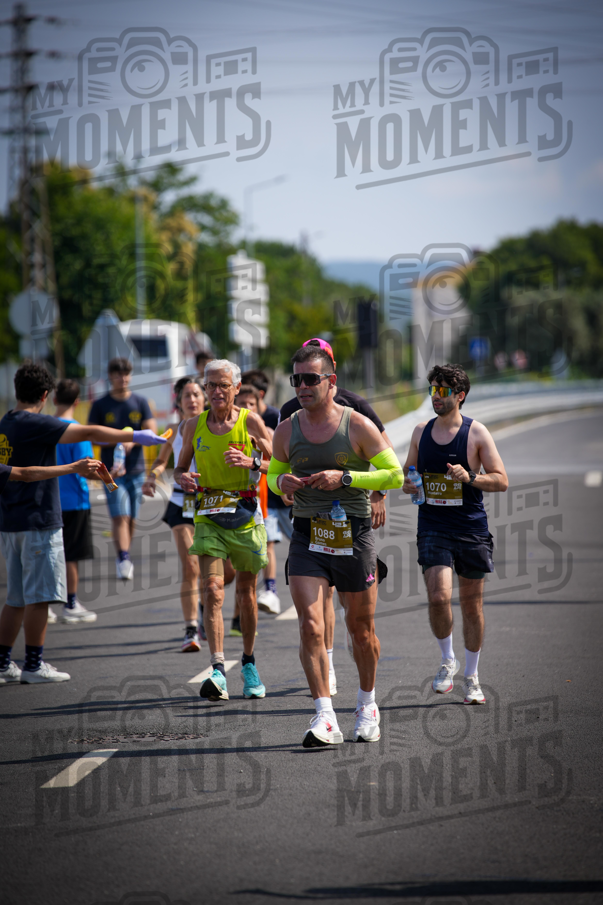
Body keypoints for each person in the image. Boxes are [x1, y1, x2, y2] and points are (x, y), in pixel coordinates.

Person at [268, 345, 403, 747]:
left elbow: (393, 475)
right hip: (308, 535)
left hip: (354, 535)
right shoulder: (287, 428)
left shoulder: (357, 424)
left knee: (361, 630)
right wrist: (282, 484)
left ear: (331, 381)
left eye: (311, 379)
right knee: (310, 625)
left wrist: (345, 479)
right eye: (297, 379)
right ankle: (325, 716)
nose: (303, 387)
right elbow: (274, 472)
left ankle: (367, 705)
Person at [0, 361, 167, 685]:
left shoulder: (5, 423)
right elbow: (89, 432)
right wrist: (135, 435)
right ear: (46, 394)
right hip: (38, 521)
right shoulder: (36, 423)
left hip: (10, 523)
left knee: (15, 599)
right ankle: (33, 664)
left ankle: (4, 662)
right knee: (39, 598)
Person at [402, 363, 508, 705]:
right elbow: (407, 474)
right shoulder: (420, 431)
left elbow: (501, 480)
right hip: (433, 526)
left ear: (459, 396)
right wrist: (410, 481)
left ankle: (472, 676)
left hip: (470, 529)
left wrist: (470, 478)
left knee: (471, 605)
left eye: (443, 391)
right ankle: (448, 659)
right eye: (433, 389)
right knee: (437, 597)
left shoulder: (476, 433)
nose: (436, 396)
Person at [175, 359, 273, 703]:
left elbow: (278, 462)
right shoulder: (192, 426)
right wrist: (182, 477)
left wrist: (252, 462)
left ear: (236, 387)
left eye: (222, 385)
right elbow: (179, 468)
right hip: (208, 515)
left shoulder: (252, 421)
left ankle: (248, 663)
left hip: (246, 514)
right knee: (213, 589)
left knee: (245, 593)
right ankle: (217, 669)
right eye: (210, 385)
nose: (216, 391)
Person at [143, 375, 231, 652]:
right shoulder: (172, 429)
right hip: (181, 503)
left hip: (213, 501)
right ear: (178, 402)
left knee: (223, 571)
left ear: (203, 398)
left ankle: (206, 606)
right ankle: (190, 629)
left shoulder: (215, 425)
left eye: (196, 394)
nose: (192, 400)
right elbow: (160, 460)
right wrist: (152, 476)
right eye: (186, 396)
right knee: (191, 566)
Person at [88, 357, 157, 581]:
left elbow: (151, 431)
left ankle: (124, 553)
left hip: (136, 470)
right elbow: (91, 436)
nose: (123, 378)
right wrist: (117, 440)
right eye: (118, 374)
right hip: (110, 472)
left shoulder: (140, 401)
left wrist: (133, 440)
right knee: (120, 516)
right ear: (110, 376)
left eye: (126, 374)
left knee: (133, 517)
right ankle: (123, 557)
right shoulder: (100, 405)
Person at [54, 379, 98, 625]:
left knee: (50, 553)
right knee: (71, 555)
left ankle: (46, 604)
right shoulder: (77, 430)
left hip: (49, 500)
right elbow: (86, 468)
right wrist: (107, 475)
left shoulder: (44, 426)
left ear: (53, 399)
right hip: (74, 500)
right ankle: (70, 602)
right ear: (77, 401)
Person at [237, 380, 282, 616]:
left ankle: (271, 591)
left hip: (263, 504)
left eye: (251, 404)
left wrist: (255, 460)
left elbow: (278, 464)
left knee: (268, 544)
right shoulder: (225, 431)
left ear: (258, 406)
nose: (246, 407)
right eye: (242, 403)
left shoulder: (267, 434)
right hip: (229, 505)